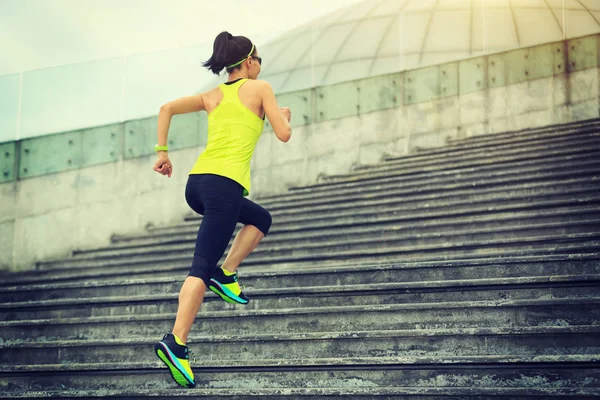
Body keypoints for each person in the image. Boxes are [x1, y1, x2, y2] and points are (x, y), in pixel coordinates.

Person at [151, 31, 292, 389]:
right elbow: (284, 134)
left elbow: (166, 108)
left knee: (260, 219)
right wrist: (283, 116)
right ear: (249, 61)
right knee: (199, 267)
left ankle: (225, 274)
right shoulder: (261, 90)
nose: (260, 66)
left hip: (197, 185)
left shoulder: (212, 95)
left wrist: (162, 153)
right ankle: (176, 341)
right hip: (224, 187)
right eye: (259, 59)